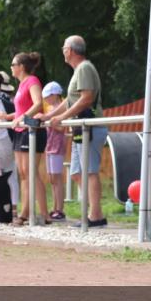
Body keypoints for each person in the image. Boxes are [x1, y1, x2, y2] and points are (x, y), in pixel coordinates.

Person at [43, 35, 107, 228]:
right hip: (81, 127)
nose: (62, 51)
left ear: (70, 50)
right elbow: (70, 101)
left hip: (91, 127)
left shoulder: (85, 68)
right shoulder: (79, 70)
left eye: (64, 48)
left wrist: (61, 118)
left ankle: (95, 216)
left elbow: (86, 99)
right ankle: (92, 213)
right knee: (77, 173)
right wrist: (49, 116)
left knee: (89, 171)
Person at [2, 52, 49, 225]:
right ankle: (33, 212)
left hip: (31, 130)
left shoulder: (32, 81)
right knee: (24, 173)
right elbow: (22, 110)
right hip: (21, 130)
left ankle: (33, 213)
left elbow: (38, 104)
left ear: (21, 66)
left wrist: (20, 119)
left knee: (30, 172)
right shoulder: (21, 84)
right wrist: (8, 116)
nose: (11, 67)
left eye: (13, 64)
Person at [42, 81, 67, 220]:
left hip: (57, 145)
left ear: (55, 95)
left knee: (57, 178)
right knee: (51, 178)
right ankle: (55, 207)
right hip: (49, 145)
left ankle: (60, 208)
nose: (46, 99)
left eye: (48, 96)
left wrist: (51, 122)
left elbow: (62, 128)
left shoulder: (61, 109)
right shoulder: (50, 109)